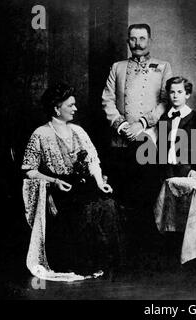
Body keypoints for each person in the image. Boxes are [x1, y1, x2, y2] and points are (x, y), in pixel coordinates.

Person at [22, 83, 127, 280]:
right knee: (85, 209)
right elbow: (30, 171)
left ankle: (108, 263)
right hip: (62, 190)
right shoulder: (40, 134)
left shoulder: (79, 131)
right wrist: (54, 181)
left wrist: (99, 182)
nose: (75, 109)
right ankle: (82, 264)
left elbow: (93, 161)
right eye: (70, 105)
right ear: (56, 108)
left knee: (108, 205)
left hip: (84, 185)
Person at [101, 23, 173, 210]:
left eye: (142, 39)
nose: (137, 43)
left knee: (146, 195)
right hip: (120, 141)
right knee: (122, 195)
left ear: (150, 40)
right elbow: (107, 100)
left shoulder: (164, 67)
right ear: (127, 41)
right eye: (133, 39)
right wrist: (122, 126)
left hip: (150, 140)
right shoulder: (117, 67)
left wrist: (142, 124)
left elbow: (165, 102)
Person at [157, 76, 196, 180]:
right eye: (172, 92)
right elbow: (161, 146)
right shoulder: (164, 118)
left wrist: (195, 169)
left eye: (179, 92)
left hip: (186, 169)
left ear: (187, 94)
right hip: (166, 169)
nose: (175, 96)